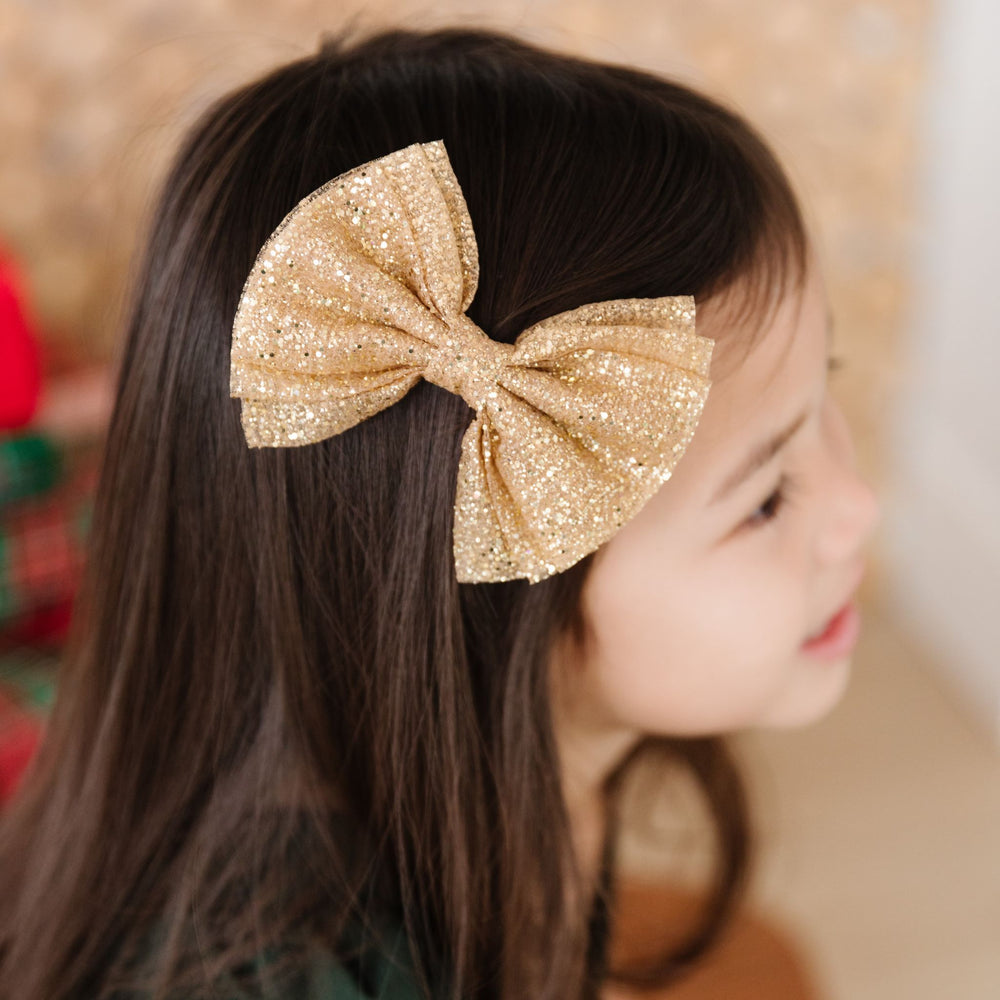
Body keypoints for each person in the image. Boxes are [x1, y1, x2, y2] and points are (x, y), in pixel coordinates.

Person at [0, 25, 881, 1000]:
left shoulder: (528, 771)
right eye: (763, 499)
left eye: (823, 391)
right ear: (503, 577)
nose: (855, 505)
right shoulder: (272, 970)